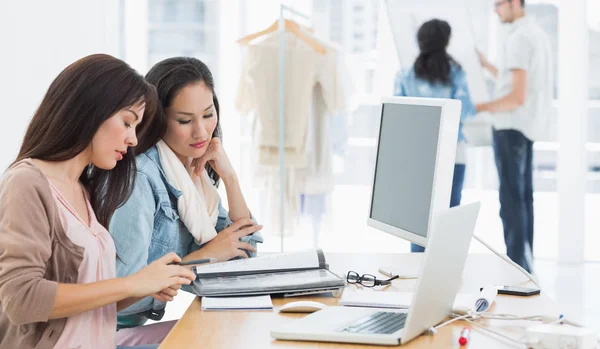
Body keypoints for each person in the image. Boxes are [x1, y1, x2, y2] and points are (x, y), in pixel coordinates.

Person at [0, 54, 197, 349]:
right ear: (91, 109)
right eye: (128, 122)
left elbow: (91, 308)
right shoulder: (27, 183)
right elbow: (21, 299)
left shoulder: (84, 191)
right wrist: (132, 284)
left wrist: (146, 284)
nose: (132, 140)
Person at [109, 57, 263, 332]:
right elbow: (121, 295)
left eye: (208, 114)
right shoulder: (141, 179)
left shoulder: (193, 173)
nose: (201, 132)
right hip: (109, 330)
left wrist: (230, 179)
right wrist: (206, 256)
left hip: (131, 329)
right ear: (158, 120)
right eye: (184, 120)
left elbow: (243, 255)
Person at [476, 0, 552, 273]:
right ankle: (525, 268)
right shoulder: (536, 34)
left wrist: (480, 107)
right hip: (527, 127)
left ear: (514, 4)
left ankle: (516, 269)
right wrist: (487, 66)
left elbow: (516, 96)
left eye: (499, 5)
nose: (496, 10)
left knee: (510, 202)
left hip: (510, 127)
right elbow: (518, 82)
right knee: (523, 199)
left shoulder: (519, 38)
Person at [394, 19, 476, 253]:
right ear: (446, 42)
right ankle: (444, 278)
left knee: (418, 224)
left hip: (417, 157)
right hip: (454, 155)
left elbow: (398, 118)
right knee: (448, 222)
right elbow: (467, 110)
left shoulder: (405, 75)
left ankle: (416, 279)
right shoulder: (456, 73)